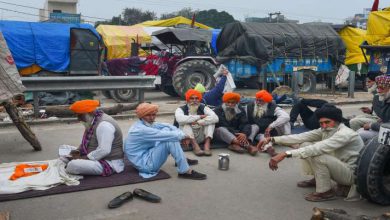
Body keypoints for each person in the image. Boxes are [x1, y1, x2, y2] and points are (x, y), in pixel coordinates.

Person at [258, 104, 364, 202]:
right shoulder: (327, 129)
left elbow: (318, 148)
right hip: (340, 167)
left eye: (327, 122)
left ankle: (325, 192)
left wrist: (285, 154)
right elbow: (300, 137)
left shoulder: (345, 133)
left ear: (336, 121)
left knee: (317, 155)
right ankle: (318, 179)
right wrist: (272, 139)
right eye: (321, 123)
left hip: (351, 175)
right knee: (305, 144)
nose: (324, 126)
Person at [124, 103, 207, 180]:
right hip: (145, 164)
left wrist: (182, 135)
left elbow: (169, 126)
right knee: (170, 139)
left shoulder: (146, 123)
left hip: (147, 154)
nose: (152, 117)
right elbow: (165, 135)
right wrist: (185, 136)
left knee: (167, 130)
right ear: (141, 116)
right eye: (148, 115)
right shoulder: (141, 130)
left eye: (153, 114)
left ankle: (180, 159)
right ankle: (185, 171)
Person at [64, 100, 125, 176]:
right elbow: (89, 141)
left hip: (109, 162)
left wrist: (82, 158)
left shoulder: (104, 125)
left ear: (90, 113)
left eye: (80, 115)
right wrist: (78, 151)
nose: (78, 119)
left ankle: (70, 164)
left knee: (73, 165)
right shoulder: (93, 120)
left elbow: (104, 150)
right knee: (63, 149)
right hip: (93, 155)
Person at [174, 89, 219, 156]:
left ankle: (207, 145)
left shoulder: (203, 107)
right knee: (186, 123)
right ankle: (195, 146)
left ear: (199, 99)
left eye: (197, 98)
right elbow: (180, 120)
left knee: (211, 122)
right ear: (188, 100)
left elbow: (215, 118)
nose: (194, 100)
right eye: (192, 98)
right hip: (187, 137)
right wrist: (199, 117)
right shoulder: (180, 109)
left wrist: (199, 122)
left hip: (201, 134)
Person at [247, 90, 291, 156]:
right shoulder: (250, 106)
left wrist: (271, 126)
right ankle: (269, 149)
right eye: (257, 100)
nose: (258, 102)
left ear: (266, 102)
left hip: (271, 130)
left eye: (261, 101)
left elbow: (285, 117)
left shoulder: (272, 106)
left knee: (285, 122)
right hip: (258, 132)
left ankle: (288, 140)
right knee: (260, 135)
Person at [358, 74, 390, 143]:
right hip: (384, 128)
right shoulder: (385, 99)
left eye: (382, 88)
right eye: (378, 88)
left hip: (387, 132)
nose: (378, 91)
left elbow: (387, 125)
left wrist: (371, 125)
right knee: (359, 131)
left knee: (361, 134)